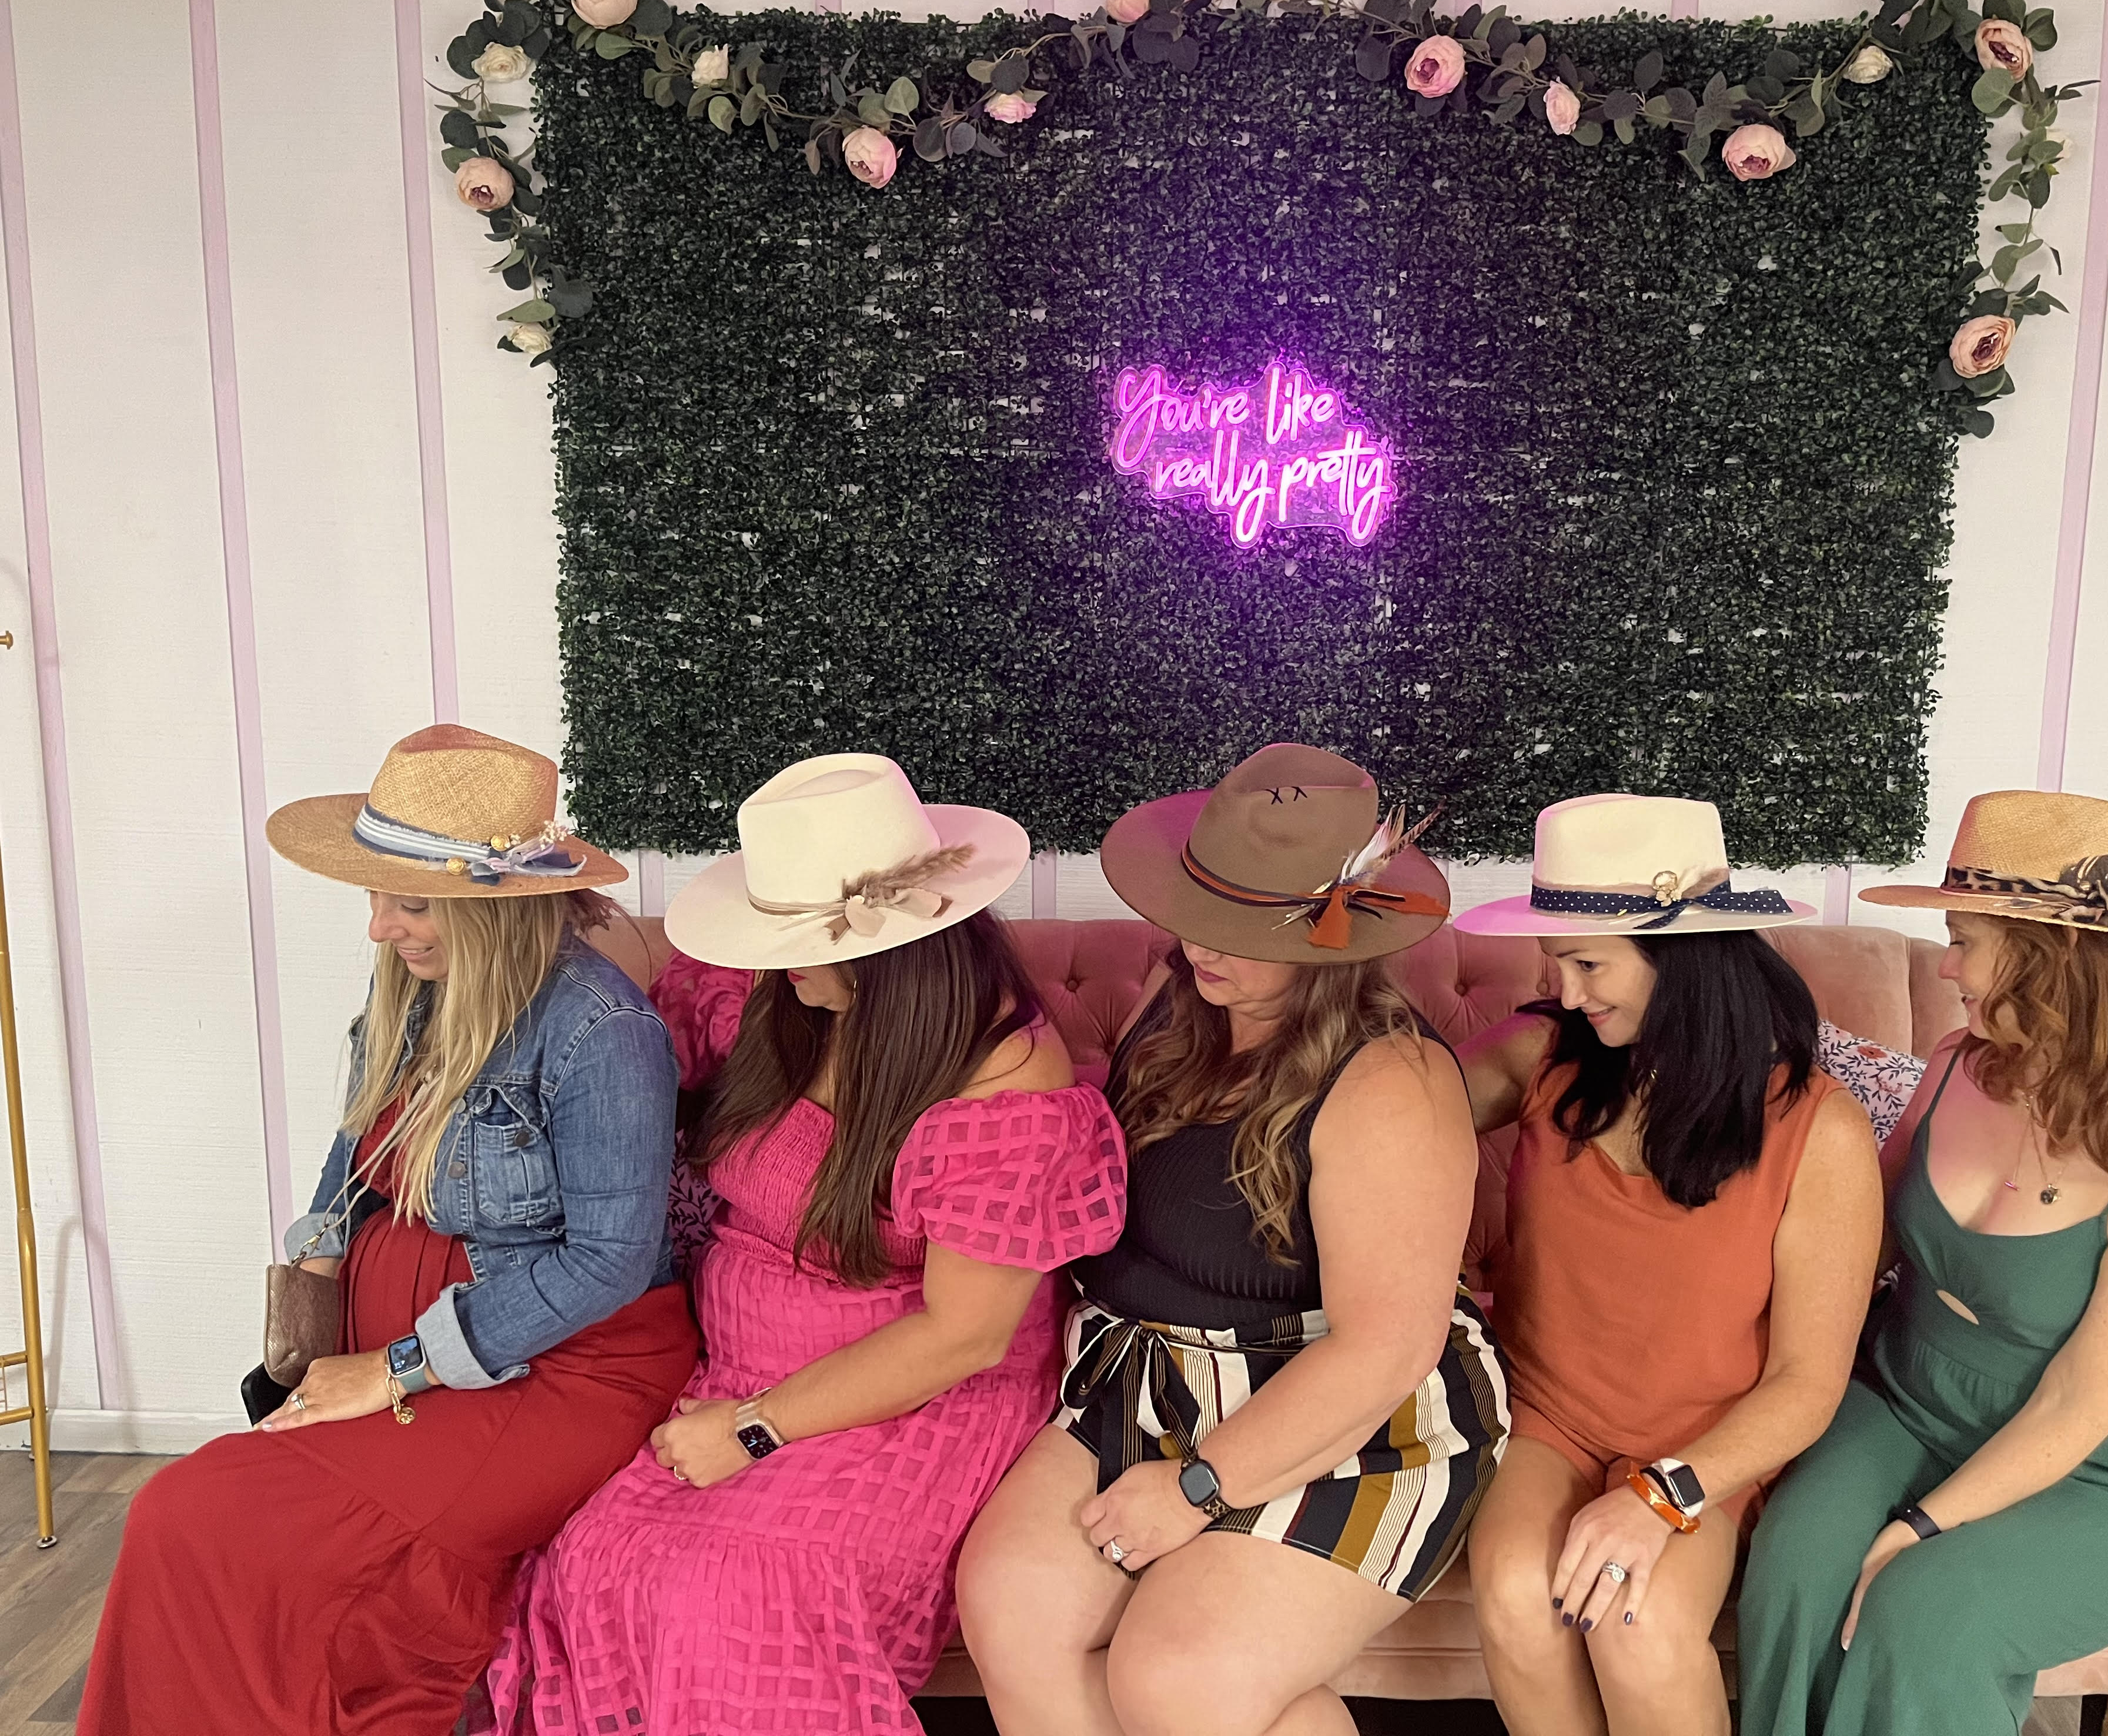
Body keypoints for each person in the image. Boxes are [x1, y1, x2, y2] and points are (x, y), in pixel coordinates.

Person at [481, 752, 1127, 1734]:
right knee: (590, 1556)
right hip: (735, 1364)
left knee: (732, 1592)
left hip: (915, 1397)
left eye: (796, 939)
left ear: (893, 952)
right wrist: (535, 909)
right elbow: (616, 1031)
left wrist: (754, 1428)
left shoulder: (1005, 1087)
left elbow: (964, 1337)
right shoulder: (776, 1001)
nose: (776, 962)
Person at [79, 726, 695, 1736]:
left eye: (409, 903)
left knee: (194, 1518)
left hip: (556, 1368)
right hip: (402, 1353)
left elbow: (608, 1262)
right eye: (375, 897)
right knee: (193, 1528)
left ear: (492, 909)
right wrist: (321, 1253)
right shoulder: (418, 986)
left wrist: (398, 1367)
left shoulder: (602, 1034)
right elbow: (362, 1133)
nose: (380, 929)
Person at [957, 743, 1504, 1736]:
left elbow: (1386, 1347)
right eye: (1194, 912)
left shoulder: (1393, 1086)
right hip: (1144, 1372)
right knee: (1010, 1602)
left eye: (1236, 929)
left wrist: (1203, 1487)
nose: (1196, 944)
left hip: (1348, 1412)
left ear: (1327, 944)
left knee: (1181, 1675)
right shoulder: (1186, 1006)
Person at [1738, 791, 2108, 1736]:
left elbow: (2078, 1407)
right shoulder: (1954, 1061)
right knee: (1797, 1571)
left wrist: (1920, 1527)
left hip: (2090, 1468)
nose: (1947, 966)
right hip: (1901, 1401)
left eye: (1964, 939)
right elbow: (1866, 1247)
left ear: (2051, 955)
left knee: (1928, 1612)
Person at [1451, 794, 1885, 1736]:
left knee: (1636, 1623)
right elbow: (1399, 1118)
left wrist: (1666, 1494)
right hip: (1548, 1413)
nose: (1566, 993)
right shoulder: (1538, 1058)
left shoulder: (1820, 1130)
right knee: (1522, 1593)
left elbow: (1810, 1383)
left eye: (1587, 964)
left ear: (1682, 958)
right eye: (1554, 965)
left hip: (1709, 1437)